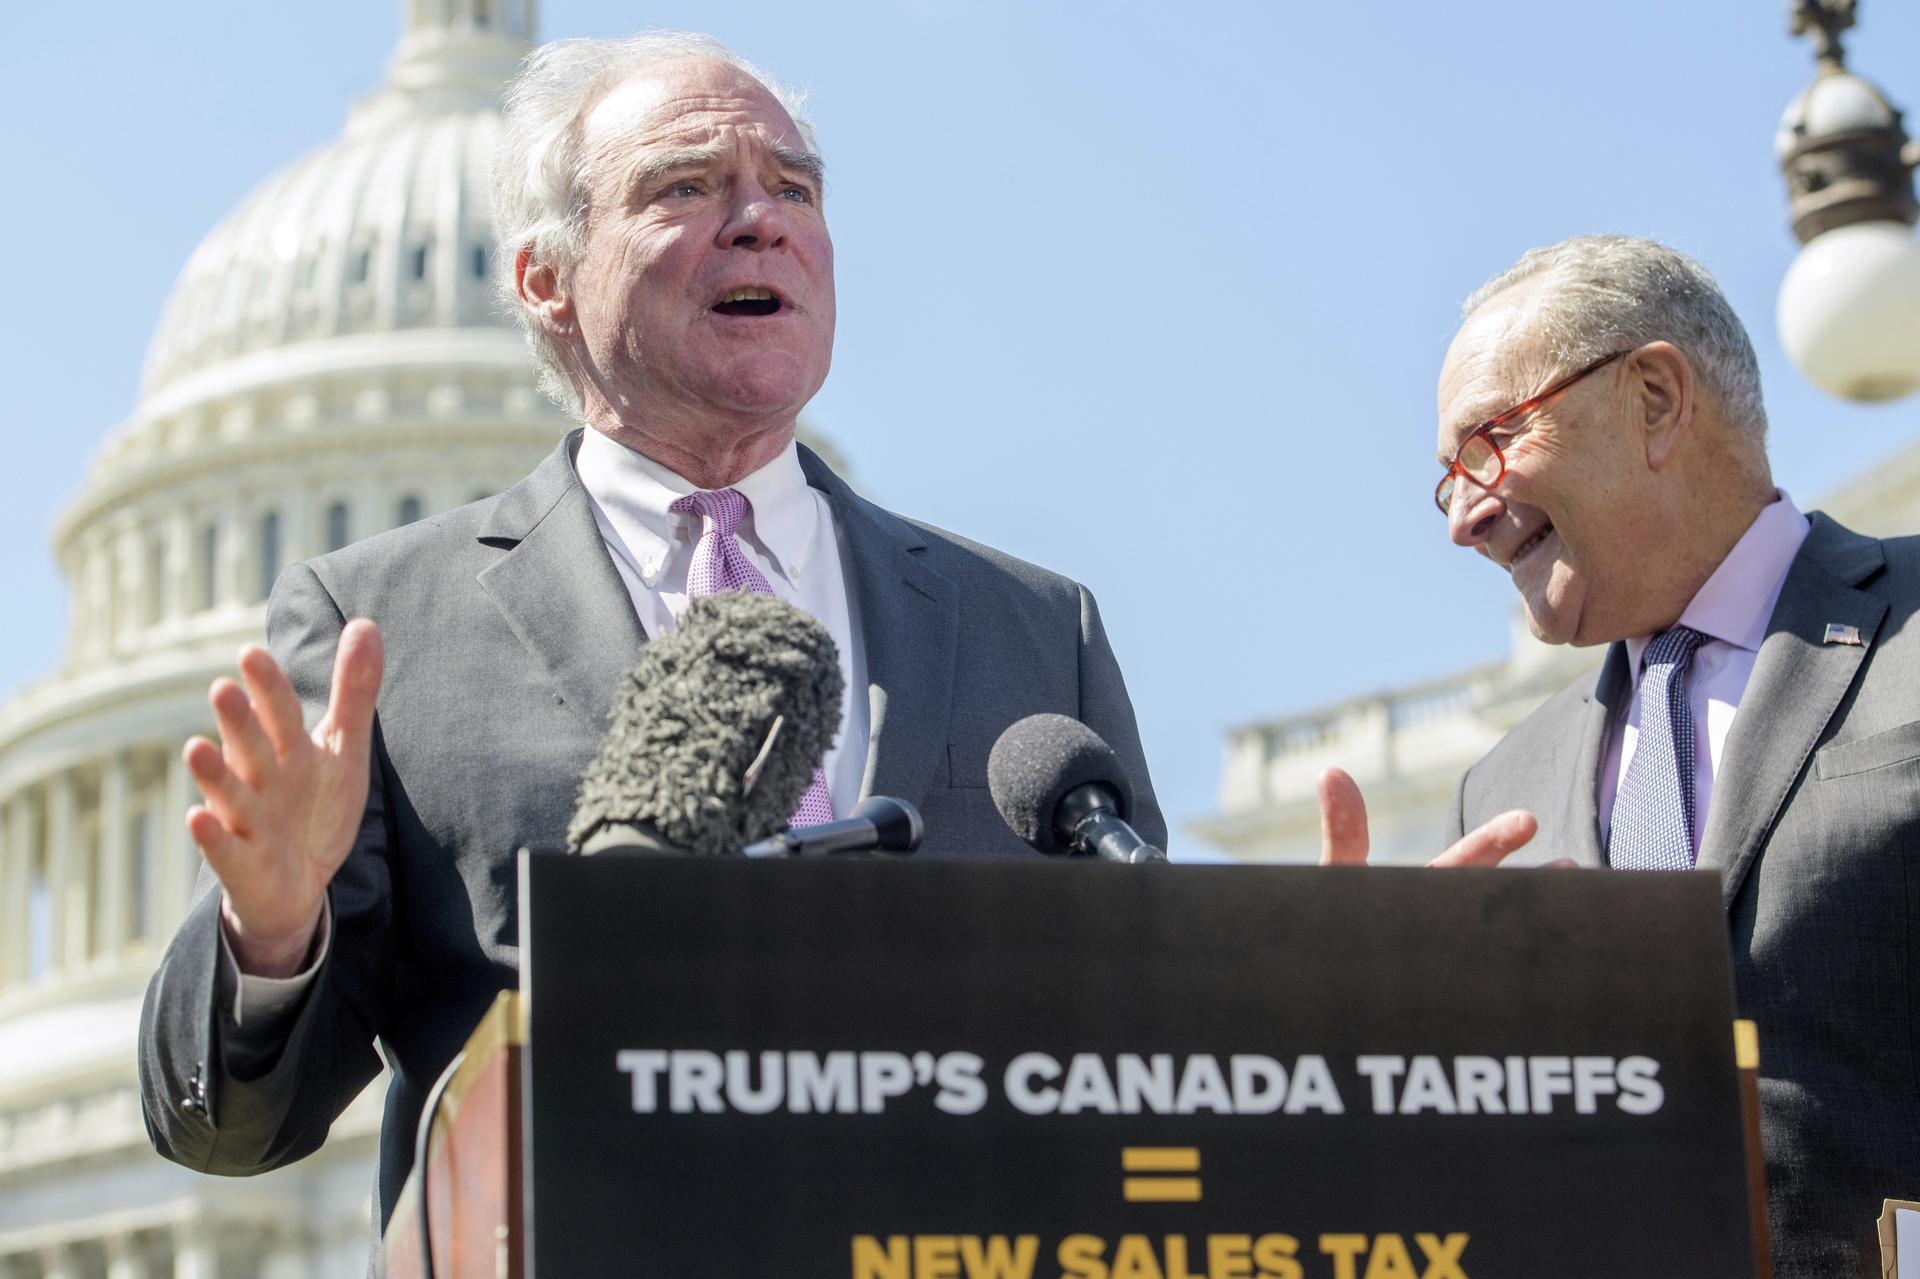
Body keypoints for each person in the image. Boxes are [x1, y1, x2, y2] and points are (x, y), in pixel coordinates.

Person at [137, 31, 1163, 1234]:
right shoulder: (385, 628)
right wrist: (271, 933)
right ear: (545, 278)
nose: (761, 221)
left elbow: (1145, 1046)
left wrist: (1323, 993)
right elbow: (230, 1127)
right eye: (687, 185)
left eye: (795, 189)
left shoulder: (1032, 627)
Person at [1325, 234, 1916, 1277]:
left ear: (1654, 399)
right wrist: (1386, 1037)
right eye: (1446, 480)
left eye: (1490, 441)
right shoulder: (1499, 792)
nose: (1464, 517)